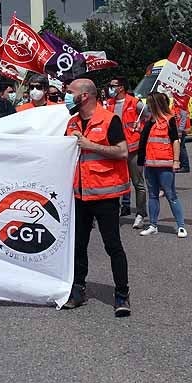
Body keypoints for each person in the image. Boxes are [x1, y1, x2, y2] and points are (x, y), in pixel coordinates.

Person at [61, 77, 131, 317]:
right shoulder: (71, 123)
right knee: (78, 245)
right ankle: (78, 289)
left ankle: (122, 293)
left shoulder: (110, 119)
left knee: (113, 246)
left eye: (70, 92)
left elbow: (122, 151)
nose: (66, 95)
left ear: (85, 95)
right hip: (80, 195)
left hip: (105, 194)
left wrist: (90, 145)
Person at [135, 91, 187, 239]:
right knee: (152, 195)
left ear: (156, 104)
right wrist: (141, 161)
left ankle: (181, 225)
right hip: (150, 164)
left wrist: (176, 161)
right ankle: (153, 225)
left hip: (165, 164)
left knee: (171, 195)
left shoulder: (169, 120)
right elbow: (144, 142)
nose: (147, 107)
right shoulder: (149, 122)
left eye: (150, 104)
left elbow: (175, 141)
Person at [104, 77, 145, 225]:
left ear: (121, 87)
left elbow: (150, 116)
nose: (110, 88)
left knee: (138, 183)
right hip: (116, 149)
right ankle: (119, 209)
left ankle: (140, 214)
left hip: (132, 149)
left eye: (112, 86)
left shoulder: (135, 103)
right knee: (116, 182)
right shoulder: (109, 104)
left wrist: (139, 127)